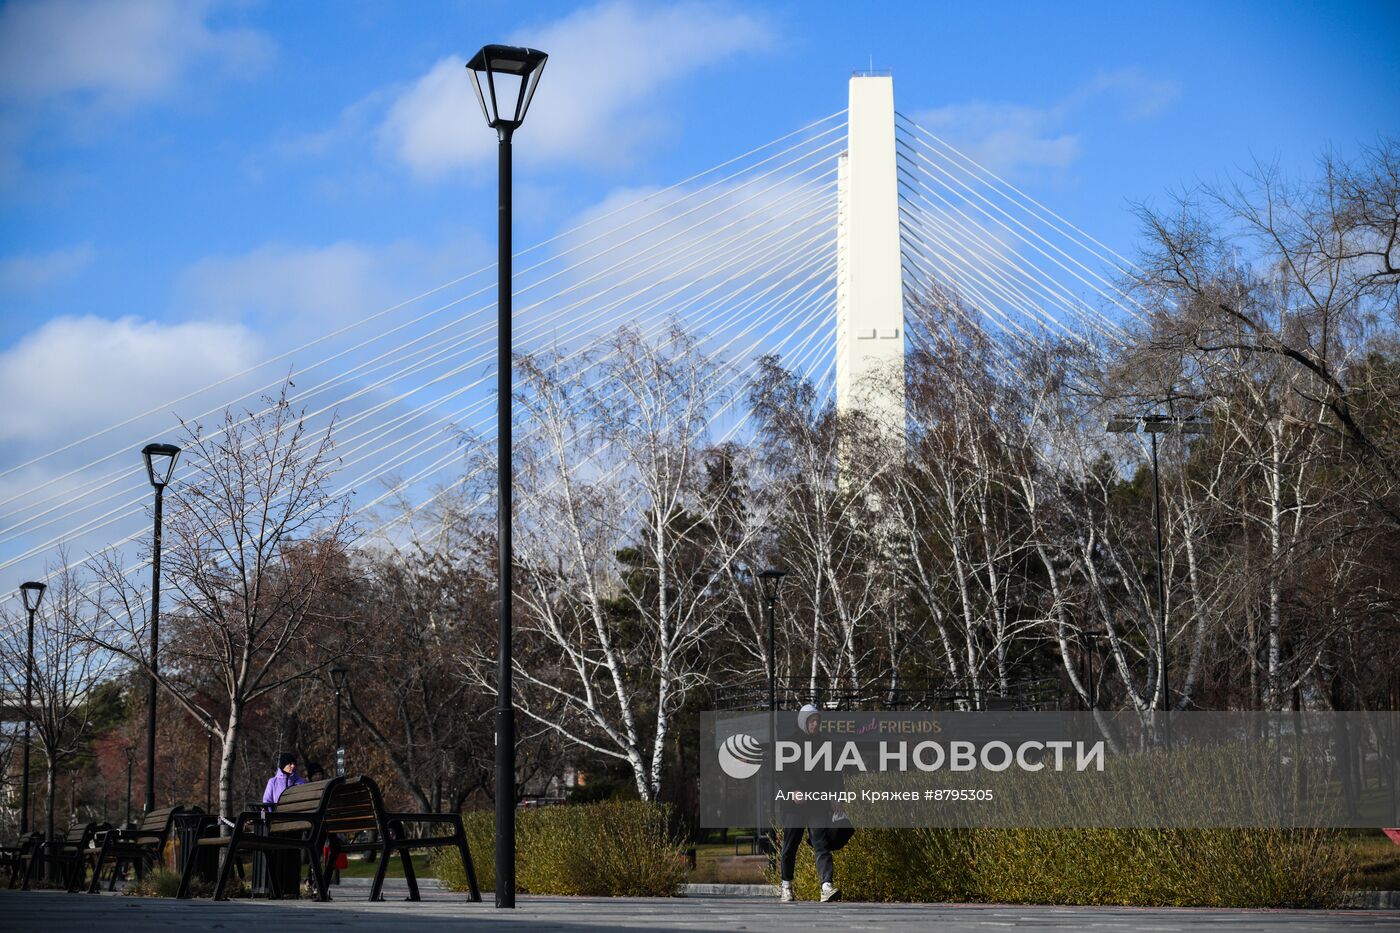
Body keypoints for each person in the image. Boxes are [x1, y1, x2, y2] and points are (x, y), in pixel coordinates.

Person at [777, 704, 842, 903]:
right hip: (795, 805)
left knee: (821, 843)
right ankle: (786, 886)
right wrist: (793, 791)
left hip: (817, 803)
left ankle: (826, 886)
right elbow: (782, 772)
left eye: (817, 721)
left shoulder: (826, 744)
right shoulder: (788, 744)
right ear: (803, 722)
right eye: (811, 721)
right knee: (790, 846)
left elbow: (835, 774)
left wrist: (837, 796)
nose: (815, 724)